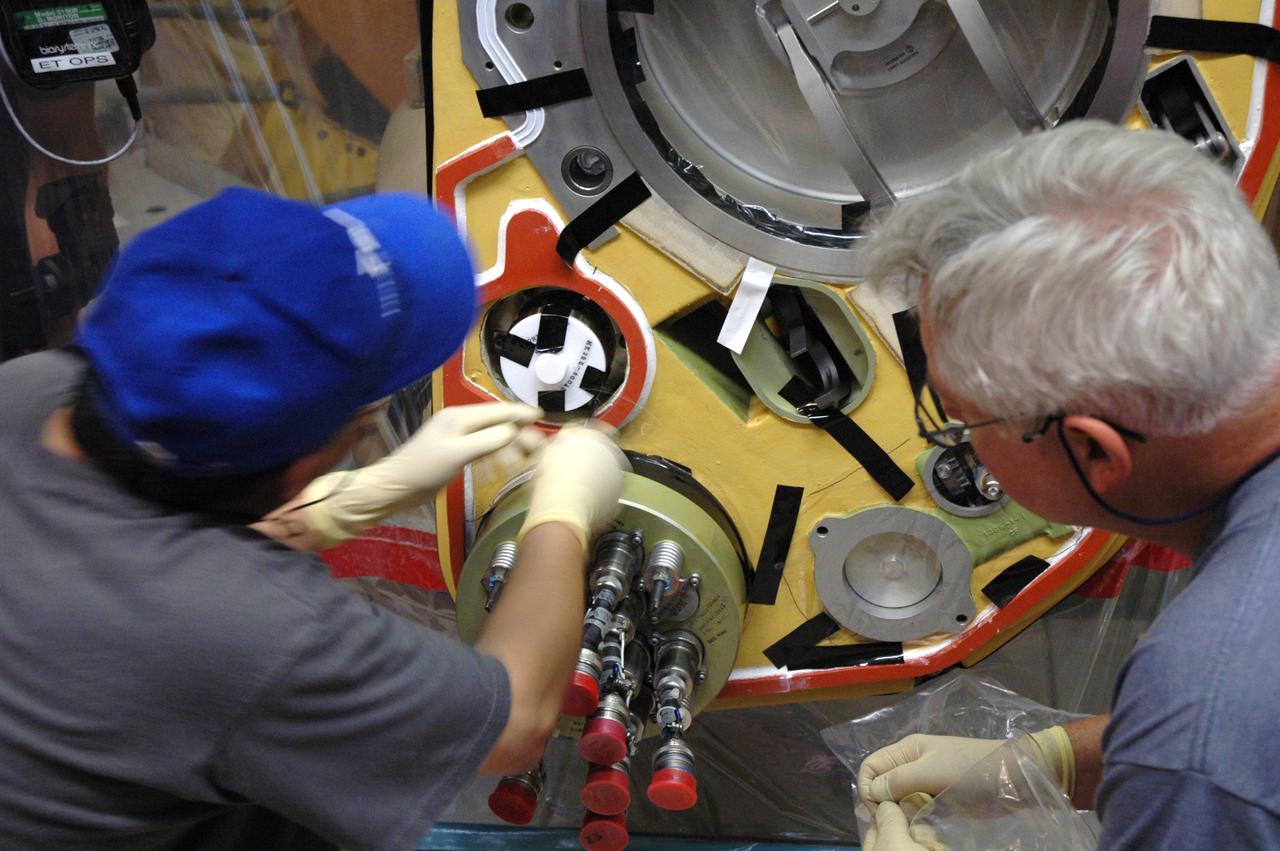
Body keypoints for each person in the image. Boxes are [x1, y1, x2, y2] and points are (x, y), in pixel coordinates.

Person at [0, 187, 630, 850]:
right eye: (365, 418)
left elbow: (141, 547)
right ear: (297, 466)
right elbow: (516, 721)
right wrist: (563, 508)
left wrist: (354, 498)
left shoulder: (31, 388)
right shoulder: (255, 635)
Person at [853, 121, 1280, 849]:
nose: (960, 446)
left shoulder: (1199, 715)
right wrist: (1051, 762)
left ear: (1092, 448)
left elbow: (1215, 749)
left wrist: (1166, 757)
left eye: (962, 422)